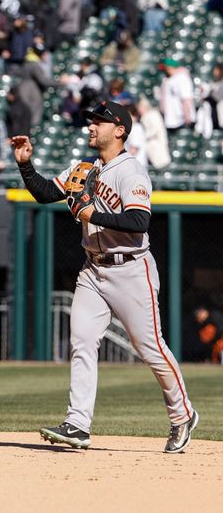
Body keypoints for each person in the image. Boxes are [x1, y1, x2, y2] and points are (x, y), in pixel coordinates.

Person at [11, 100, 199, 454]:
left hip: (131, 269)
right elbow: (44, 193)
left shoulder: (131, 172)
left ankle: (182, 413)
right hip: (93, 270)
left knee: (151, 349)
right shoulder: (85, 168)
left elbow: (139, 222)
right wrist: (25, 164)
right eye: (91, 121)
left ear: (120, 130)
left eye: (99, 122)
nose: (91, 127)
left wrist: (92, 214)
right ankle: (78, 424)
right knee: (82, 342)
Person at [159, 58, 195, 133]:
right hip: (170, 118)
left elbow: (186, 99)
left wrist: (187, 117)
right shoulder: (167, 79)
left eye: (167, 68)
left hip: (181, 119)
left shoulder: (182, 78)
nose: (166, 70)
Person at [136, 97, 170, 169]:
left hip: (157, 147)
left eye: (139, 108)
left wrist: (143, 136)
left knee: (160, 167)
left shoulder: (152, 114)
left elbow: (155, 129)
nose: (138, 110)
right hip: (150, 148)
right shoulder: (145, 116)